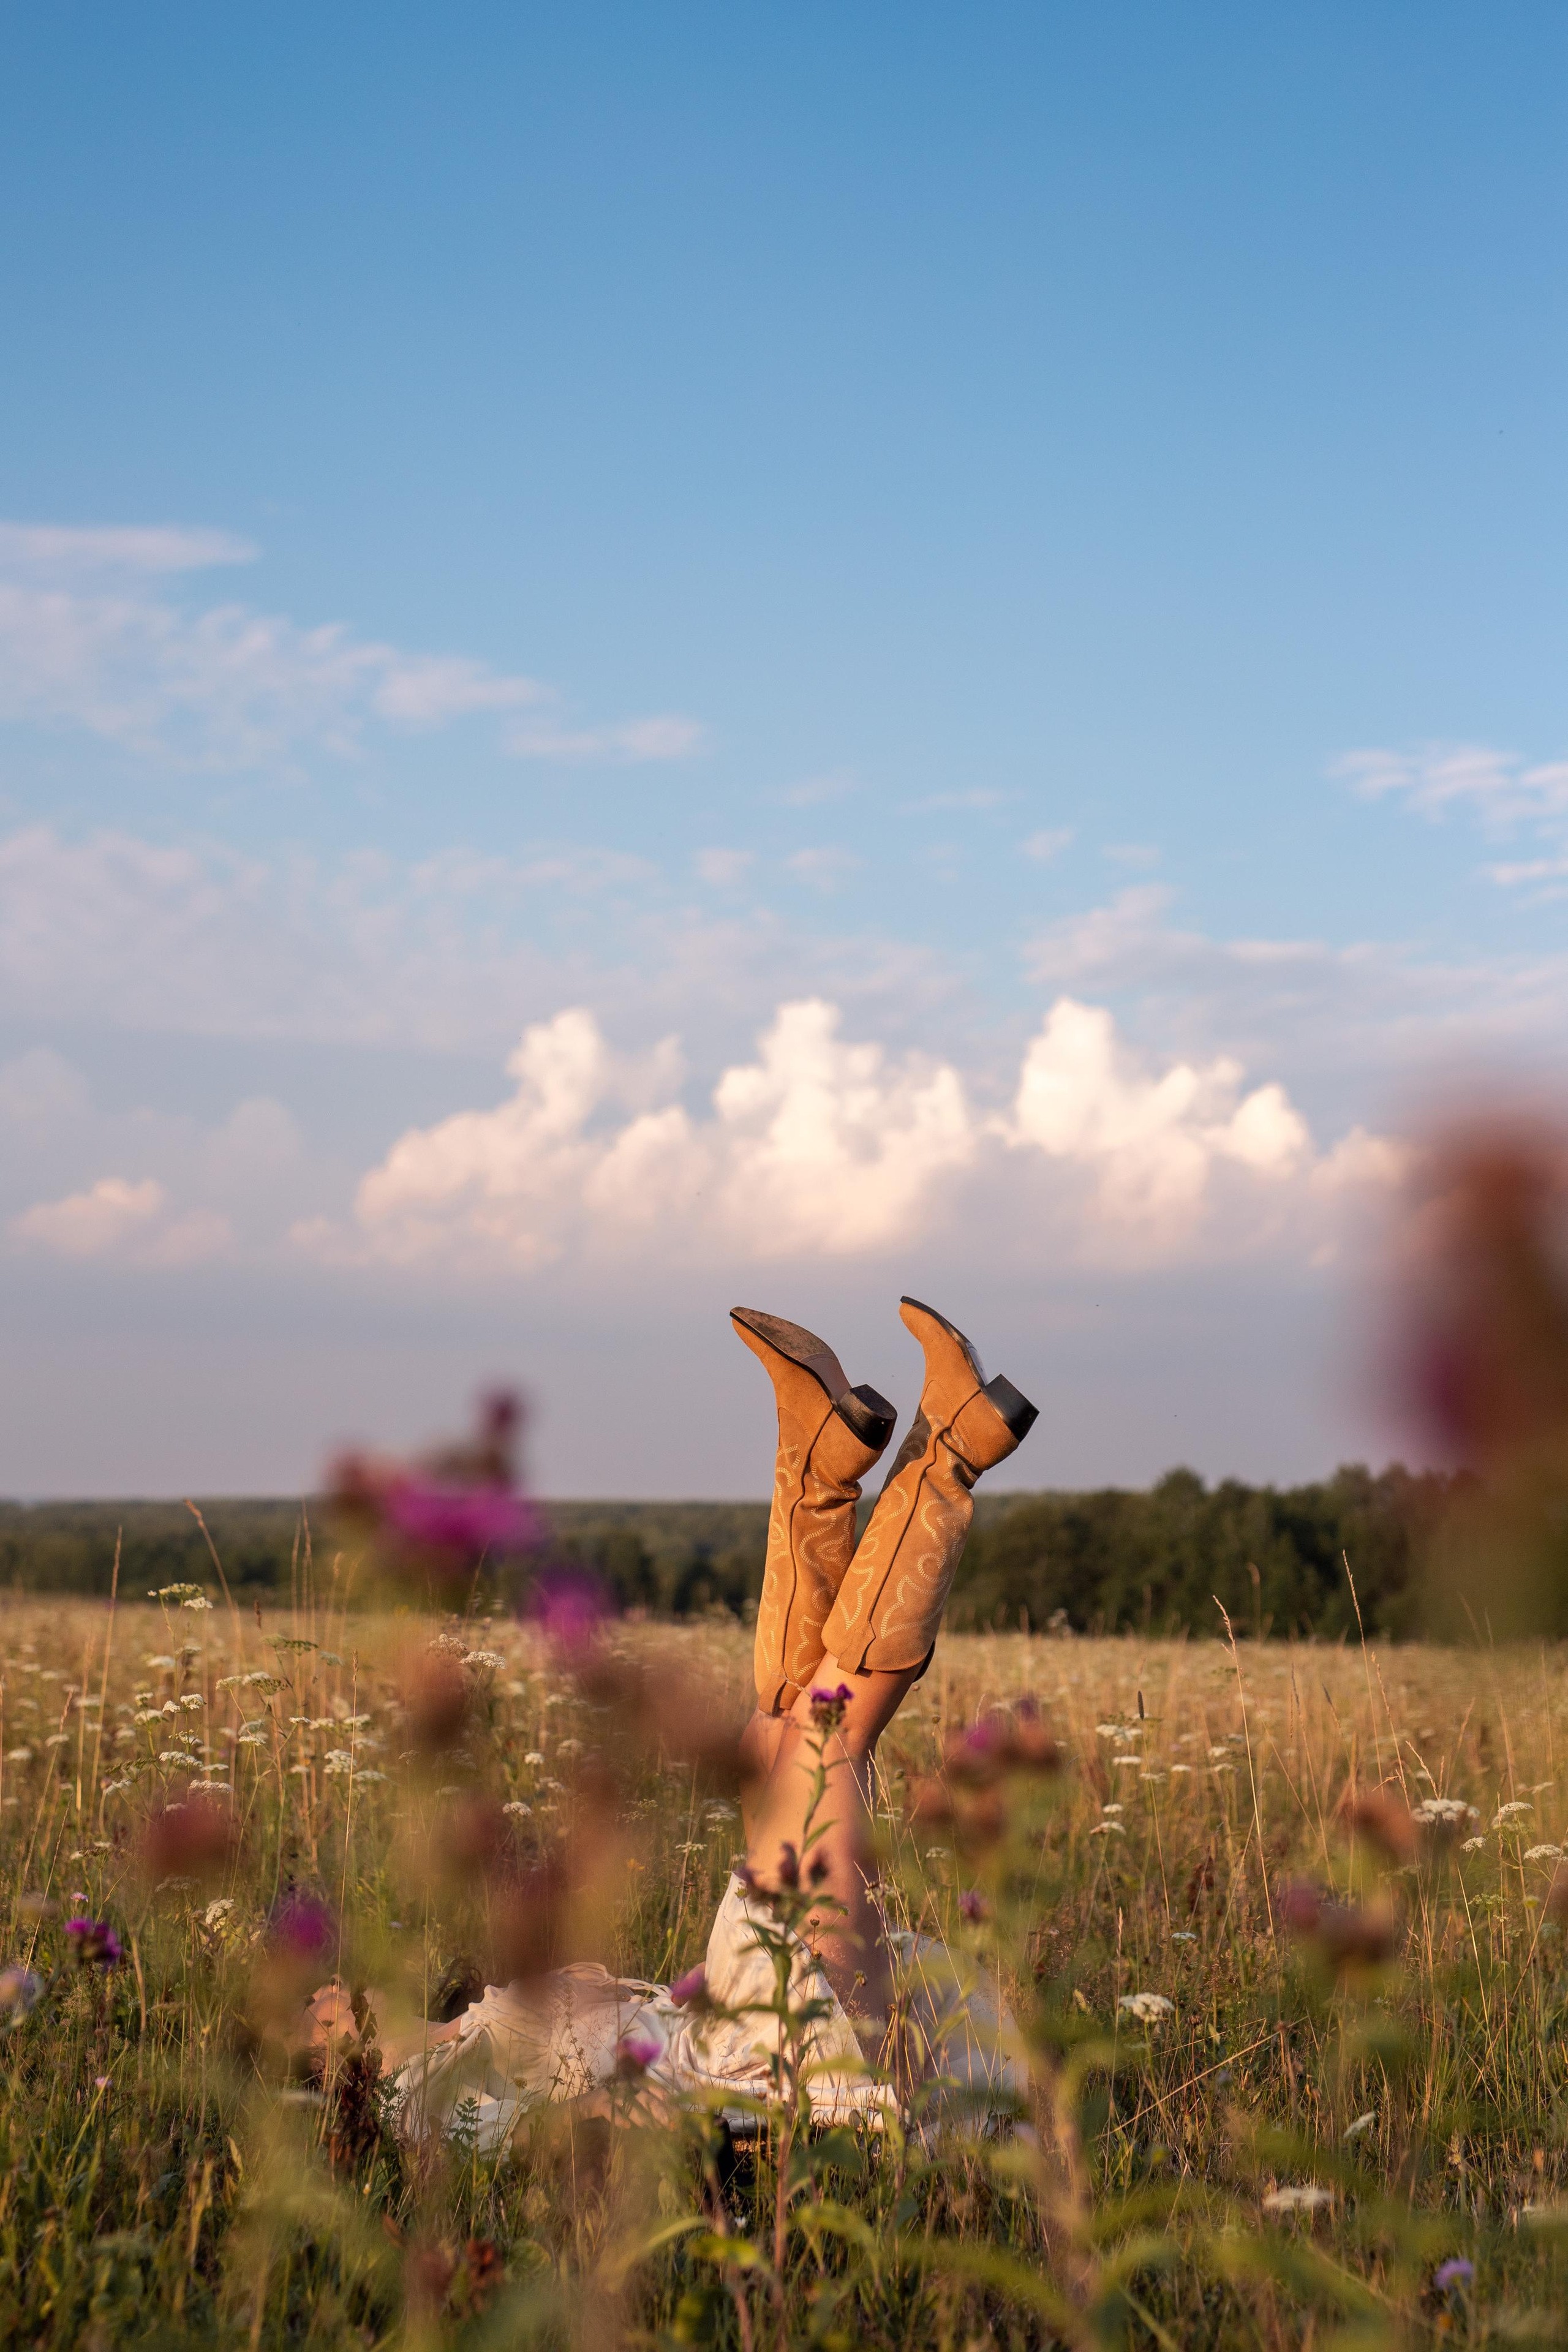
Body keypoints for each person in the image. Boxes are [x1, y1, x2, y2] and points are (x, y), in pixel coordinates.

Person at [324, 1297, 1038, 2145]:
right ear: (329, 2065)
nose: (326, 1990)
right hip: (763, 2076)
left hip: (744, 2035)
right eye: (310, 2010)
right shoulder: (418, 2098)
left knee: (771, 1738)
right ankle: (953, 1447)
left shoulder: (471, 2025)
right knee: (826, 1733)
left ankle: (820, 1459)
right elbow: (534, 2134)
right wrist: (612, 2115)